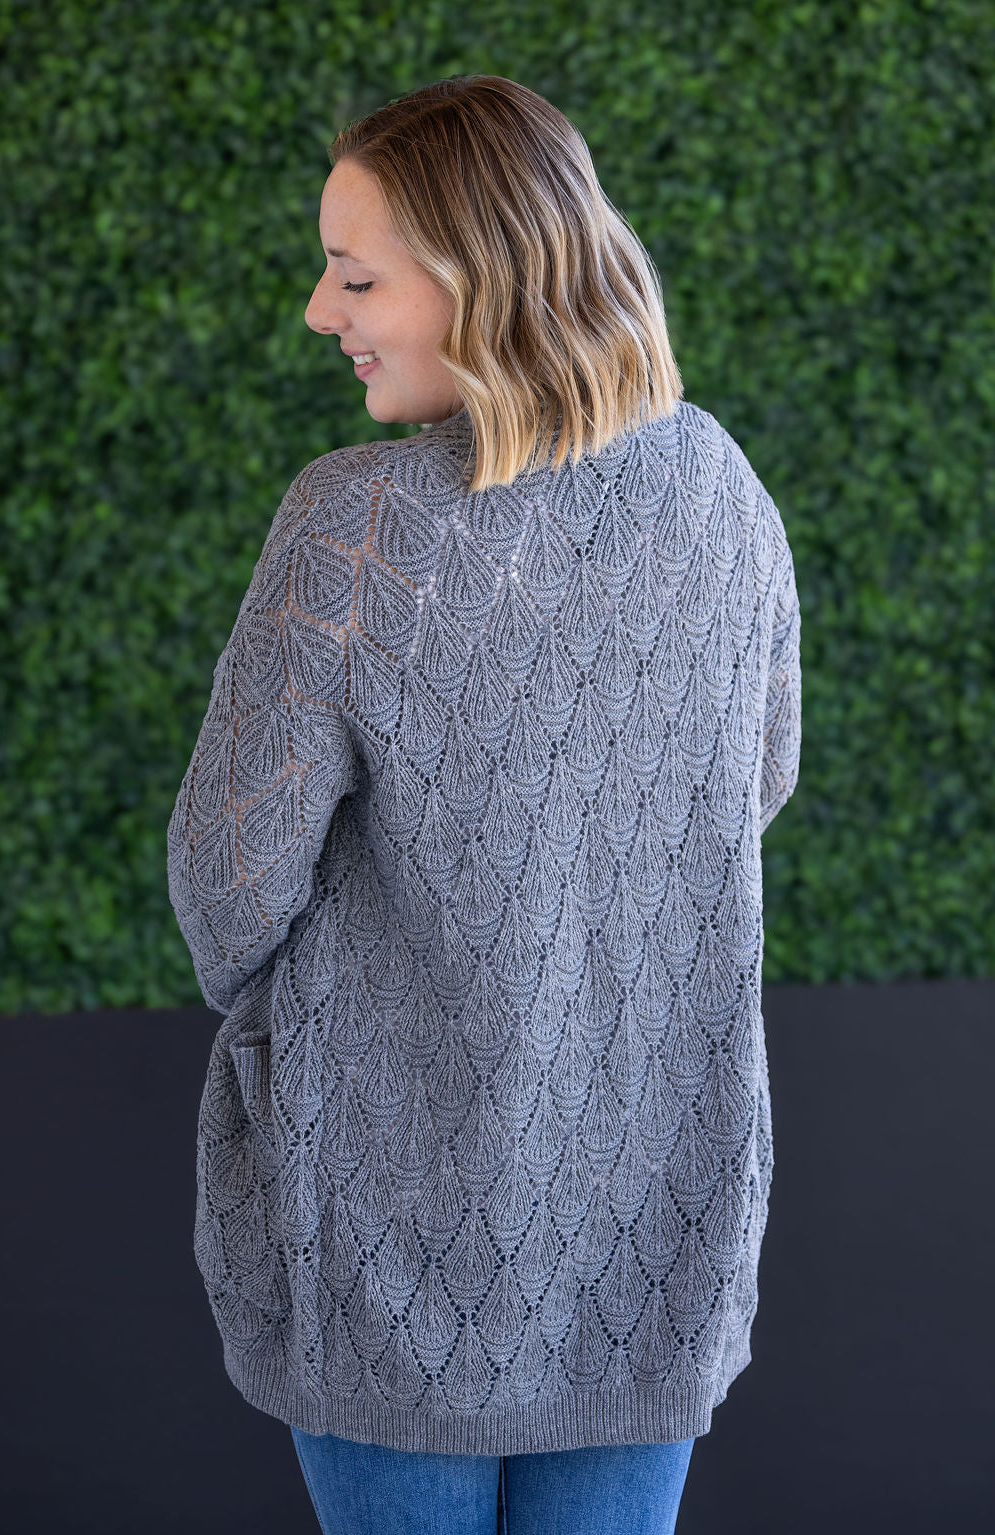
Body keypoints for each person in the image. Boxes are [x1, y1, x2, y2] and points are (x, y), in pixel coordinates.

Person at [167, 73, 801, 1535]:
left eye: (356, 277)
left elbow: (227, 884)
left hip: (389, 1223)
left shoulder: (357, 524)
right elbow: (751, 784)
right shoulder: (723, 488)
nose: (321, 313)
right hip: (655, 1199)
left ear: (483, 274)